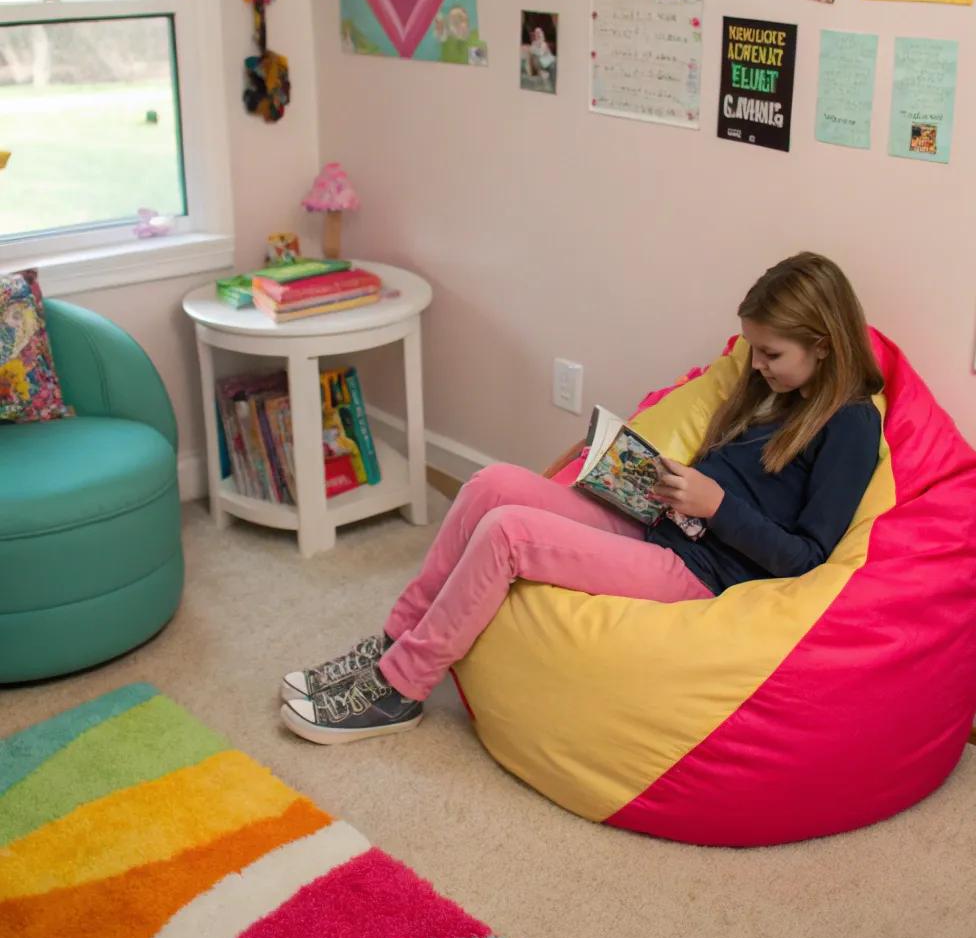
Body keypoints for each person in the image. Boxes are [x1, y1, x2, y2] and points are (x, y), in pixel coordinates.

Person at [280, 252, 883, 745]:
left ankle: (402, 689)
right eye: (754, 349)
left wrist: (716, 505)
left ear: (824, 344)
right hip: (662, 522)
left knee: (510, 533)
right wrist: (637, 471)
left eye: (771, 353)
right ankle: (394, 640)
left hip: (701, 569)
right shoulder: (775, 391)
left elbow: (808, 559)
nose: (756, 364)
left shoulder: (849, 426)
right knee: (492, 485)